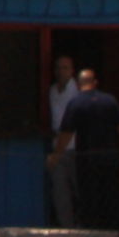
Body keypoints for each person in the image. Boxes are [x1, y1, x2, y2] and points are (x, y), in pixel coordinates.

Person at [55, 68, 119, 237]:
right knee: (111, 195)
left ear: (78, 84)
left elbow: (66, 133)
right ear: (95, 82)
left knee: (89, 197)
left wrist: (56, 154)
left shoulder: (76, 103)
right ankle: (115, 234)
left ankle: (92, 234)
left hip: (86, 159)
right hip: (109, 157)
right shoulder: (109, 101)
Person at [45, 54, 83, 224]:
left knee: (79, 190)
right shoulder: (53, 91)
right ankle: (67, 228)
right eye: (58, 68)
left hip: (75, 148)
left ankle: (84, 226)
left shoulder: (77, 91)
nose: (61, 71)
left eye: (65, 68)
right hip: (57, 148)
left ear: (72, 70)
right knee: (60, 192)